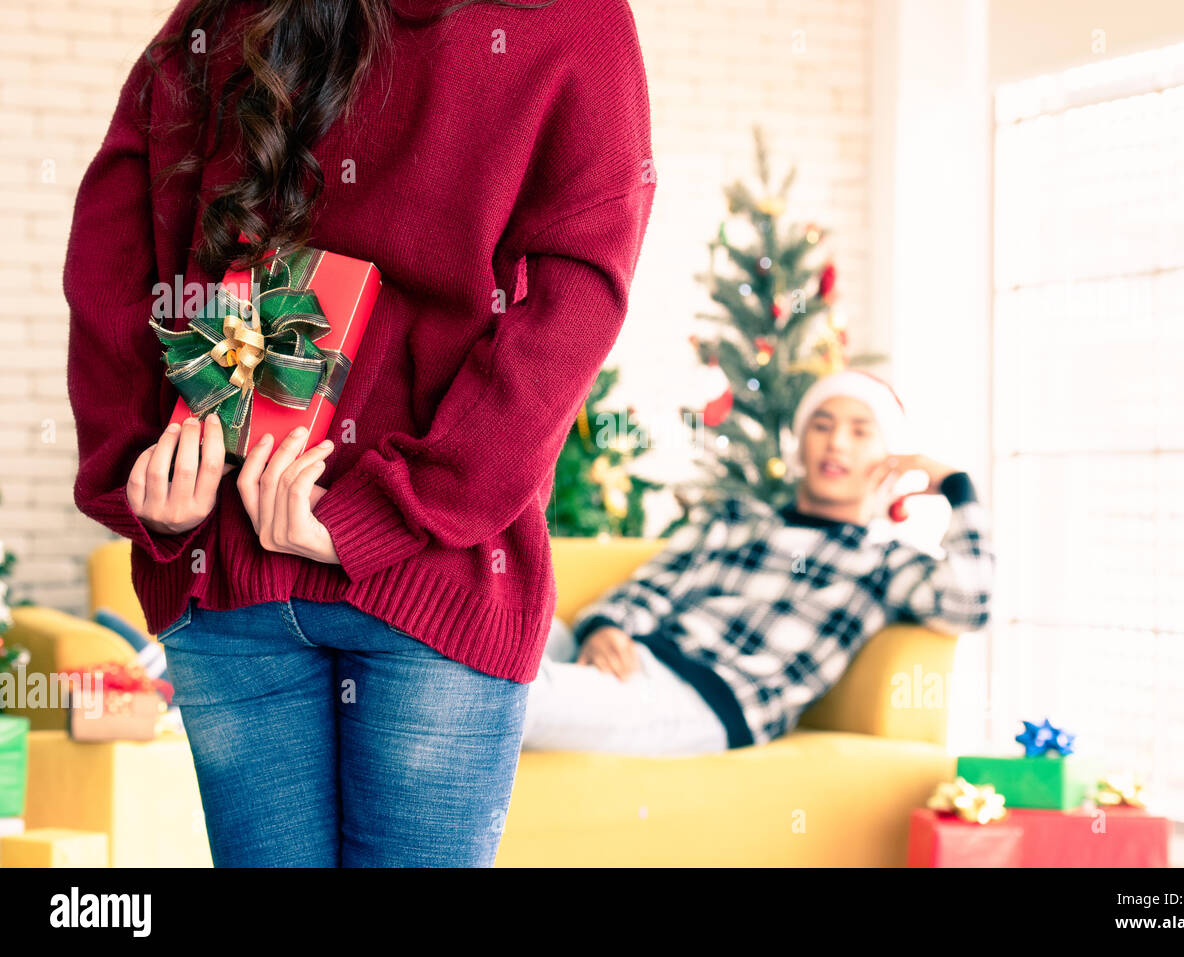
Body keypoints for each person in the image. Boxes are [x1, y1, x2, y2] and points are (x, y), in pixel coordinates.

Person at [64, 0, 656, 867]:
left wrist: (141, 460)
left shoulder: (223, 13)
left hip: (227, 556)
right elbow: (577, 297)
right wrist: (397, 507)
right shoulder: (572, 20)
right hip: (434, 573)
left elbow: (112, 233)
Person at [520, 368, 996, 755]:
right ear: (801, 444)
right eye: (822, 426)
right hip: (636, 655)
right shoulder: (737, 519)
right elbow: (656, 584)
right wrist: (605, 626)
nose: (836, 444)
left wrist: (957, 486)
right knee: (504, 629)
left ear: (889, 456)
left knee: (517, 694)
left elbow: (969, 603)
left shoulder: (884, 563)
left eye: (859, 431)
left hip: (705, 702)